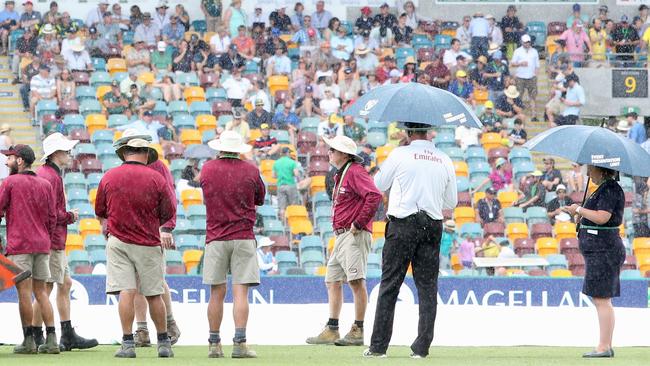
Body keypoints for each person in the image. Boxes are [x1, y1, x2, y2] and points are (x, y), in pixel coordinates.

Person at [366, 122, 457, 358]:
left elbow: (378, 185)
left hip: (403, 223)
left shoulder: (400, 153)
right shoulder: (444, 158)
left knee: (390, 285)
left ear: (408, 132)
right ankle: (422, 347)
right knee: (428, 288)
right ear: (428, 132)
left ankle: (378, 346)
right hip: (432, 224)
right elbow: (451, 202)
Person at [95, 130, 175, 358]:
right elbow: (168, 211)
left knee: (126, 292)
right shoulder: (157, 178)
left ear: (125, 153)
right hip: (148, 242)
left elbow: (100, 210)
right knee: (154, 294)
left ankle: (128, 343)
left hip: (119, 241)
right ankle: (163, 343)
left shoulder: (110, 177)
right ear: (145, 154)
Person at [307, 135, 381, 347]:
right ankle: (332, 328)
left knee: (356, 281)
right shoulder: (344, 173)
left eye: (333, 150)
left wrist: (359, 223)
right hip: (343, 235)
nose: (329, 153)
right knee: (332, 280)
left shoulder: (355, 172)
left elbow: (374, 196)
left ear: (344, 154)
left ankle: (358, 329)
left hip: (353, 234)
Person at [202, 131, 265, 359]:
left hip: (216, 237)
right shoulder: (250, 170)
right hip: (243, 236)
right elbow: (259, 197)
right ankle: (239, 343)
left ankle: (214, 343)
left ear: (219, 148)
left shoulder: (208, 168)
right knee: (241, 293)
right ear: (239, 149)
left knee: (216, 293)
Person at [31, 133, 97, 351]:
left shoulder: (46, 174)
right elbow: (50, 214)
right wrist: (69, 216)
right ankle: (36, 335)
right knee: (45, 289)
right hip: (51, 240)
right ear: (55, 154)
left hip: (50, 238)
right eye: (66, 151)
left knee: (62, 284)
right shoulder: (51, 177)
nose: (69, 154)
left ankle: (64, 333)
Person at [0, 144, 58, 354]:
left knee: (24, 294)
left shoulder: (10, 182)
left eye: (10, 158)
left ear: (20, 160)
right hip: (42, 245)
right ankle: (52, 340)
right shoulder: (45, 184)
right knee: (41, 292)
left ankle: (29, 341)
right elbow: (52, 218)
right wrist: (46, 239)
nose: (7, 162)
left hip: (20, 245)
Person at [563, 165, 625, 358]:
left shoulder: (609, 189)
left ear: (601, 170)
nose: (588, 174)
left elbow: (602, 217)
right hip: (599, 249)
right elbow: (595, 217)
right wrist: (580, 217)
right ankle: (605, 344)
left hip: (604, 250)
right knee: (600, 298)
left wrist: (579, 208)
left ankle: (604, 346)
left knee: (601, 299)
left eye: (591, 170)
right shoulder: (603, 189)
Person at [511, 34, 540, 121]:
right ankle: (519, 115)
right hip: (520, 76)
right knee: (519, 97)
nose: (527, 44)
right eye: (525, 42)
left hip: (531, 77)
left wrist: (536, 75)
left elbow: (537, 65)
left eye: (528, 42)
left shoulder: (534, 51)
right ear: (522, 42)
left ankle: (533, 115)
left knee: (533, 97)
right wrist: (520, 63)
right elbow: (512, 63)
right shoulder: (517, 51)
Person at [273, 147, 301, 220]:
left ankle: (283, 223)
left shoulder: (276, 162)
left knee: (282, 207)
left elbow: (274, 176)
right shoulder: (292, 162)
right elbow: (296, 174)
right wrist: (299, 181)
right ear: (287, 153)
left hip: (280, 185)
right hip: (290, 185)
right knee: (293, 205)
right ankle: (292, 221)